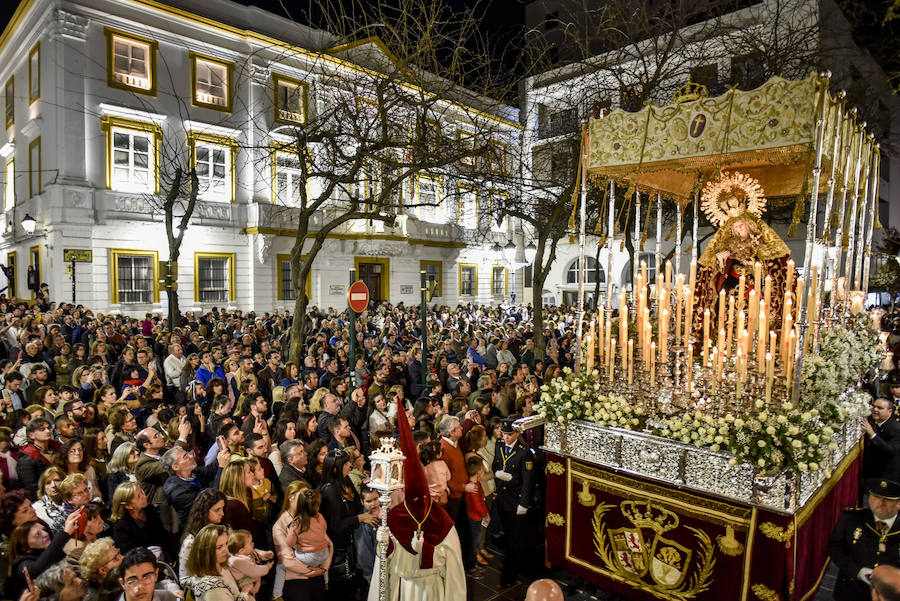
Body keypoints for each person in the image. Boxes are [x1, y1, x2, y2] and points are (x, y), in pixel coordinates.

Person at [368, 400, 465, 601]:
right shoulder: (440, 518)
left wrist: (382, 548)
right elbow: (455, 570)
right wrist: (381, 545)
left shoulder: (394, 518)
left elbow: (382, 567)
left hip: (405, 589)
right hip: (432, 590)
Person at [318, 449, 378, 599]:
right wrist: (360, 519)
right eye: (346, 463)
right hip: (340, 550)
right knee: (345, 592)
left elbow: (357, 504)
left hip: (354, 542)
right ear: (335, 469)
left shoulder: (346, 480)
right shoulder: (329, 491)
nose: (350, 465)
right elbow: (335, 525)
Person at [828, 478, 900, 601]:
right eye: (876, 497)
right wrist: (858, 571)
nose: (880, 503)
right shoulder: (851, 518)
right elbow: (834, 548)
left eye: (887, 500)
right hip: (850, 590)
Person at [492, 419, 535, 588]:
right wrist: (498, 473)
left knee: (514, 540)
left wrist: (523, 503)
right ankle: (508, 569)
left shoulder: (524, 452)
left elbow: (528, 481)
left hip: (516, 500)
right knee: (506, 538)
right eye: (504, 434)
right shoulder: (499, 445)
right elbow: (496, 464)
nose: (507, 437)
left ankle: (511, 575)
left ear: (517, 434)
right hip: (502, 498)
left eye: (510, 434)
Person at [5, 508, 84, 599]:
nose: (45, 534)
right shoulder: (21, 564)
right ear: (25, 544)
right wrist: (65, 533)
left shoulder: (50, 553)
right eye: (37, 534)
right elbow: (37, 569)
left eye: (44, 530)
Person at [162, 443, 230, 529]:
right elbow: (210, 502)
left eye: (188, 453)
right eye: (185, 457)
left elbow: (210, 471)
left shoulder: (192, 472)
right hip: (198, 530)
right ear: (176, 467)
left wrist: (223, 451)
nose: (191, 456)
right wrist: (222, 467)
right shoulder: (177, 492)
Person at [187, 524, 253, 601]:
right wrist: (245, 593)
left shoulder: (222, 566)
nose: (226, 550)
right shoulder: (211, 588)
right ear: (206, 552)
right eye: (219, 547)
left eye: (226, 544)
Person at [178, 489, 227, 582]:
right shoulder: (191, 542)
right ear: (204, 511)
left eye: (222, 508)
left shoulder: (222, 531)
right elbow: (184, 579)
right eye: (217, 510)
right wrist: (209, 582)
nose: (222, 513)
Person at [109, 481, 166, 560]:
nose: (144, 496)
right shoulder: (121, 527)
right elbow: (130, 554)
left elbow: (162, 535)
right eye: (139, 496)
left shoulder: (150, 510)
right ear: (128, 506)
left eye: (142, 492)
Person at [226, 529, 274, 597]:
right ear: (241, 550)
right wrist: (267, 567)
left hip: (250, 576)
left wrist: (265, 554)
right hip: (243, 583)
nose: (253, 544)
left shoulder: (245, 553)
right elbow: (255, 570)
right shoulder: (237, 561)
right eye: (251, 543)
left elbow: (255, 553)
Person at [862, 397, 900, 482]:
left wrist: (872, 434)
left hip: (885, 479)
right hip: (871, 475)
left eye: (880, 408)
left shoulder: (896, 428)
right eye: (874, 406)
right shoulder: (874, 423)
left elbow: (891, 450)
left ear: (889, 412)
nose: (875, 409)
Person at [464, 455, 489, 567]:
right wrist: (485, 514)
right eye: (482, 468)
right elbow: (477, 505)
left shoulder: (476, 484)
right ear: (479, 471)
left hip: (477, 517)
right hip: (475, 518)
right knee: (473, 542)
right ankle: (471, 564)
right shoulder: (473, 488)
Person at [354, 486, 381, 587]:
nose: (373, 504)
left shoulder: (387, 513)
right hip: (373, 569)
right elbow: (363, 551)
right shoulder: (364, 523)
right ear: (362, 502)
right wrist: (369, 574)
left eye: (375, 499)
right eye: (368, 501)